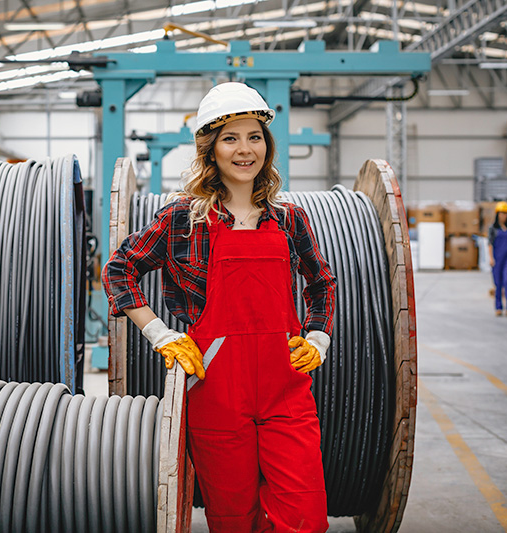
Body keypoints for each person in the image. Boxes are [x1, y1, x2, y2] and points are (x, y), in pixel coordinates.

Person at [102, 82, 336, 532]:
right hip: (216, 391)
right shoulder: (183, 220)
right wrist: (161, 334)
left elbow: (322, 282)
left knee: (304, 514)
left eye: (255, 137)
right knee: (233, 518)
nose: (245, 149)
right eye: (231, 138)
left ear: (267, 145)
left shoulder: (289, 219)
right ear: (210, 150)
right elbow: (119, 269)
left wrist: (318, 337)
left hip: (286, 387)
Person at [489, 201, 507, 317]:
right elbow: (490, 244)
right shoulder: (493, 229)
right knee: (498, 283)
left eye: (505, 214)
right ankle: (498, 307)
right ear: (497, 215)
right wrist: (491, 258)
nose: (503, 216)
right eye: (501, 214)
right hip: (497, 258)